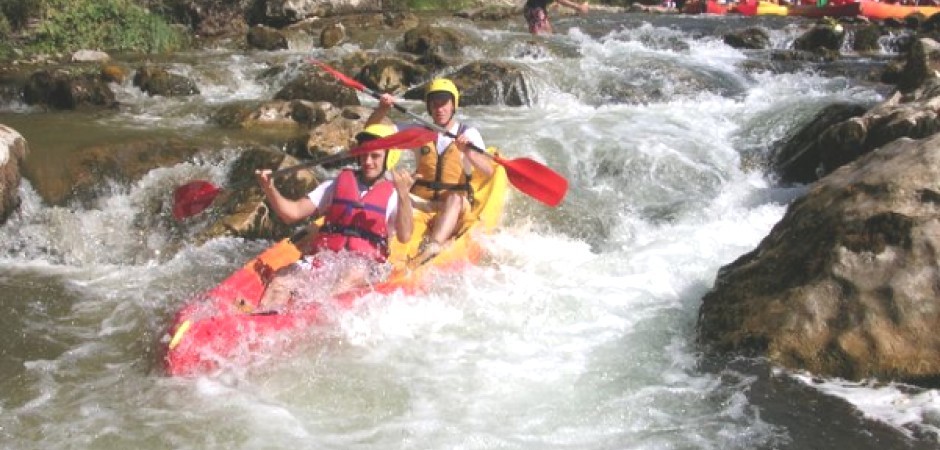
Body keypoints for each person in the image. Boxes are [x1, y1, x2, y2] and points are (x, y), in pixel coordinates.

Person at [253, 123, 414, 309]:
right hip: (327, 258)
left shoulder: (395, 194)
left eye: (375, 156)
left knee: (351, 274)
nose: (368, 161)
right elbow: (292, 213)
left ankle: (312, 312)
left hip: (367, 265)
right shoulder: (336, 184)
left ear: (389, 157)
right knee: (281, 279)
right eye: (364, 154)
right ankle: (266, 317)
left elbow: (405, 235)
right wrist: (269, 188)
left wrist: (404, 195)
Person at [366, 78, 494, 263]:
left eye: (444, 103)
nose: (439, 109)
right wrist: (382, 109)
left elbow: (489, 170)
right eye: (434, 104)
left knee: (455, 198)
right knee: (392, 193)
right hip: (421, 202)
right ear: (429, 108)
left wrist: (468, 151)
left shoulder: (469, 134)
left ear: (453, 105)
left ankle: (433, 247)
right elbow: (372, 133)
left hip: (454, 205)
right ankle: (379, 250)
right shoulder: (417, 132)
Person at [524, 0, 589, 35]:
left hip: (533, 9)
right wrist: (578, 7)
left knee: (546, 35)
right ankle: (529, 56)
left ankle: (525, 55)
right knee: (544, 35)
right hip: (535, 10)